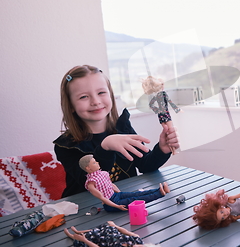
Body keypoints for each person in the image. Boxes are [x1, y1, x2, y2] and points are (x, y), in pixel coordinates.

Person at [54, 65, 180, 197]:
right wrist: (105, 147)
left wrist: (162, 149)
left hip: (125, 201)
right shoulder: (66, 146)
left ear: (111, 96)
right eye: (84, 97)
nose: (96, 101)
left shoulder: (123, 128)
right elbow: (92, 185)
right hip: (86, 210)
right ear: (71, 105)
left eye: (101, 93)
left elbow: (145, 165)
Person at [79, 155, 169, 212]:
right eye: (94, 162)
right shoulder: (91, 183)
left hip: (116, 195)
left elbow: (111, 185)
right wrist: (117, 206)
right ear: (88, 168)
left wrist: (121, 193)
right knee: (134, 200)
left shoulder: (103, 173)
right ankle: (159, 193)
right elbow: (102, 197)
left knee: (135, 194)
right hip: (111, 203)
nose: (97, 162)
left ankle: (158, 189)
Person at [64, 220, 167, 247]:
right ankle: (79, 232)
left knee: (92, 235)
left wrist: (84, 241)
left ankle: (74, 236)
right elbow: (125, 231)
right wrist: (116, 226)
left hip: (102, 242)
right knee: (104, 228)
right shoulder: (137, 239)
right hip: (112, 233)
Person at [141, 76, 181, 154]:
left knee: (169, 133)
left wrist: (158, 110)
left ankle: (173, 150)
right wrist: (177, 109)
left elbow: (151, 104)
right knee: (169, 133)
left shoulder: (158, 95)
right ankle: (173, 150)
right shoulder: (163, 94)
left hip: (161, 114)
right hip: (165, 114)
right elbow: (170, 102)